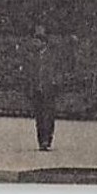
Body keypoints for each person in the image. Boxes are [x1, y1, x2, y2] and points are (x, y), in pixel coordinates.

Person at [25, 23, 60, 151]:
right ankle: (41, 141)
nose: (35, 43)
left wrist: (55, 84)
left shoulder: (52, 56)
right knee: (39, 117)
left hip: (49, 90)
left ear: (43, 42)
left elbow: (56, 72)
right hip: (37, 90)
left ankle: (47, 139)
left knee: (48, 116)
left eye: (37, 40)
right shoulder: (33, 57)